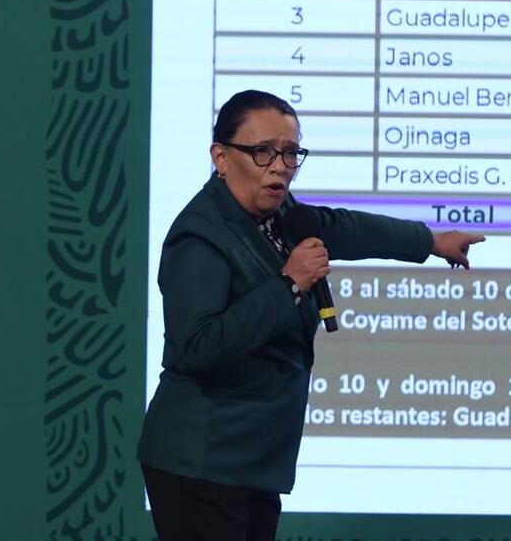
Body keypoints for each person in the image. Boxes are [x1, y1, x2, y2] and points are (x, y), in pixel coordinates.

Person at [138, 89, 485, 539]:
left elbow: (346, 228)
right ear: (220, 157)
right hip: (202, 463)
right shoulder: (199, 238)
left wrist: (430, 242)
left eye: (290, 152)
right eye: (262, 152)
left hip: (253, 461)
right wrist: (288, 285)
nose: (280, 166)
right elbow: (196, 348)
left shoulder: (281, 215)